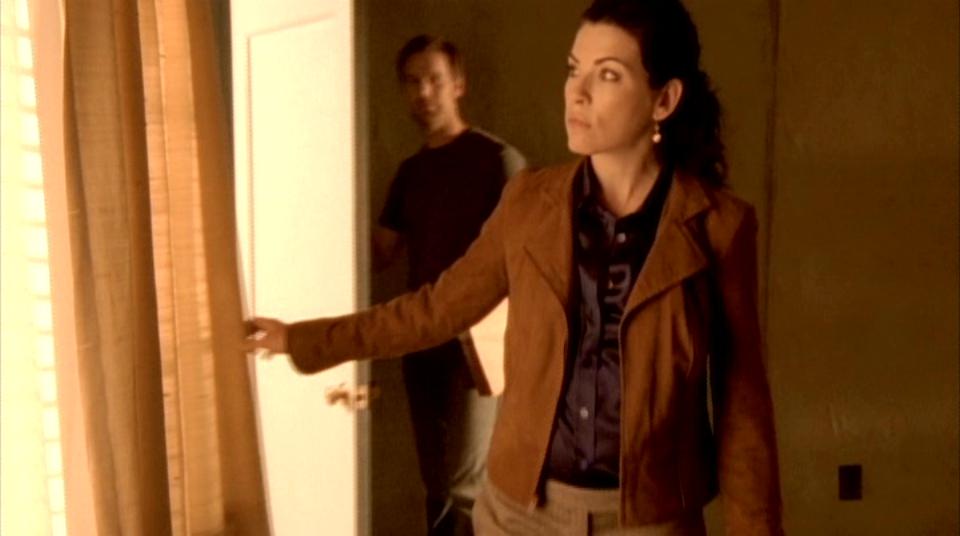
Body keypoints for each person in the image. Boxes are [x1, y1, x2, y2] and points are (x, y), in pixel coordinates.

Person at [246, 1, 783, 534]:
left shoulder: (718, 226)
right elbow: (434, 310)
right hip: (520, 515)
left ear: (663, 100)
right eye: (573, 69)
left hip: (649, 521)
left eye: (608, 75)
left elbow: (742, 405)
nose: (577, 92)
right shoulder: (529, 203)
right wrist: (301, 339)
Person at [377, 35, 526, 536]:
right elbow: (380, 252)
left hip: (478, 347)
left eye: (434, 80)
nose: (423, 92)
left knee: (466, 486)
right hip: (421, 343)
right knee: (437, 486)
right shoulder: (410, 174)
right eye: (412, 82)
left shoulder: (498, 160)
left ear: (458, 85)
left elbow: (531, 257)